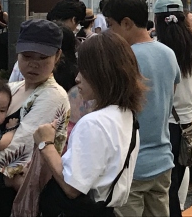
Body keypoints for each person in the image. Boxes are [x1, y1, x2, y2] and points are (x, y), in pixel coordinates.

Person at [34, 30, 145, 214]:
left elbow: (72, 187)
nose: (77, 78)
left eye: (84, 71)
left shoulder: (94, 123)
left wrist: (46, 144)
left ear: (102, 74)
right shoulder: (126, 115)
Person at [0, 19, 71, 216]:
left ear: (57, 56)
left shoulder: (53, 95)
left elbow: (14, 152)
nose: (34, 64)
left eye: (43, 57)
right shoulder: (12, 88)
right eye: (27, 56)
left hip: (6, 196)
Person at [104, 0, 181, 217]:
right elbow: (170, 96)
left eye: (110, 25)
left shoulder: (123, 59)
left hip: (131, 164)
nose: (109, 32)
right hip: (163, 159)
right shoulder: (168, 53)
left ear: (126, 23)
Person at [153, 0, 192, 215]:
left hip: (161, 121)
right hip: (186, 120)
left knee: (164, 180)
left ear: (157, 20)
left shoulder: (156, 47)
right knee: (179, 173)